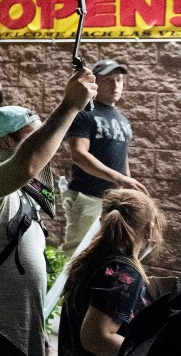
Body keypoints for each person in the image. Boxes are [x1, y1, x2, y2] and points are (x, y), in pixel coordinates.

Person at [0, 75, 98, 356]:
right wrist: (69, 105)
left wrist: (39, 333)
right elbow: (28, 164)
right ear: (7, 140)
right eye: (33, 135)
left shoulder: (22, 192)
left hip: (20, 331)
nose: (46, 143)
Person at [59, 189, 163, 356]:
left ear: (102, 222)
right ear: (150, 229)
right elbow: (96, 338)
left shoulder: (93, 261)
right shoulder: (124, 274)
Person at [62, 60, 148, 257]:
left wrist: (127, 187)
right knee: (76, 252)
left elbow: (122, 157)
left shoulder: (122, 119)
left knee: (106, 253)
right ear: (96, 82)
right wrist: (118, 178)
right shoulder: (83, 113)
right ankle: (66, 288)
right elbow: (79, 155)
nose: (115, 85)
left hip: (113, 201)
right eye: (108, 79)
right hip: (87, 196)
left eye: (119, 80)